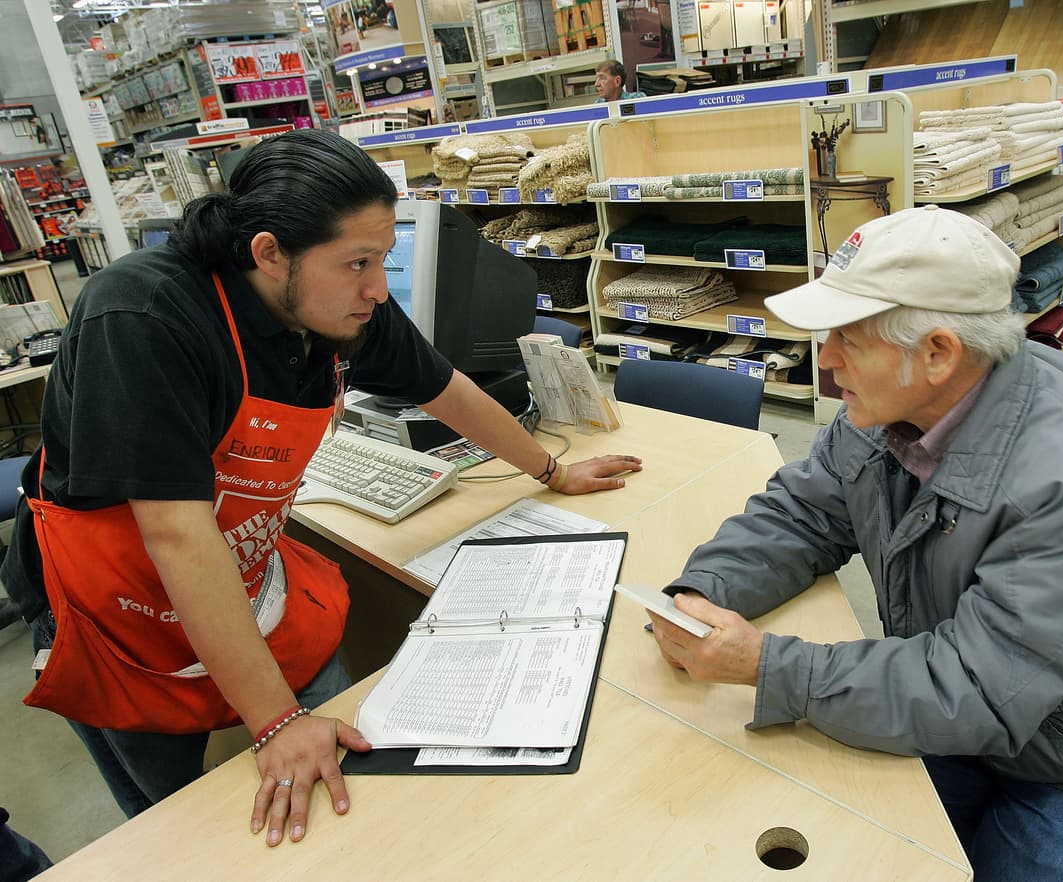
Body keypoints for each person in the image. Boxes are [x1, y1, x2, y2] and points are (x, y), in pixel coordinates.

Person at [0, 129, 640, 848]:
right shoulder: (145, 315)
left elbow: (446, 391)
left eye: (384, 261)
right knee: (193, 824)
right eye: (359, 263)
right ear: (270, 253)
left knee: (339, 767)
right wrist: (276, 722)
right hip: (115, 601)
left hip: (238, 568)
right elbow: (176, 532)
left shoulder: (339, 310)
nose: (377, 288)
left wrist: (552, 471)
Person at [645, 205, 1063, 880]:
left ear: (940, 352)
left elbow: (977, 694)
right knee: (825, 827)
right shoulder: (889, 406)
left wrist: (768, 666)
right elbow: (804, 513)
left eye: (848, 341)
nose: (826, 363)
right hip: (982, 722)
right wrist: (703, 591)